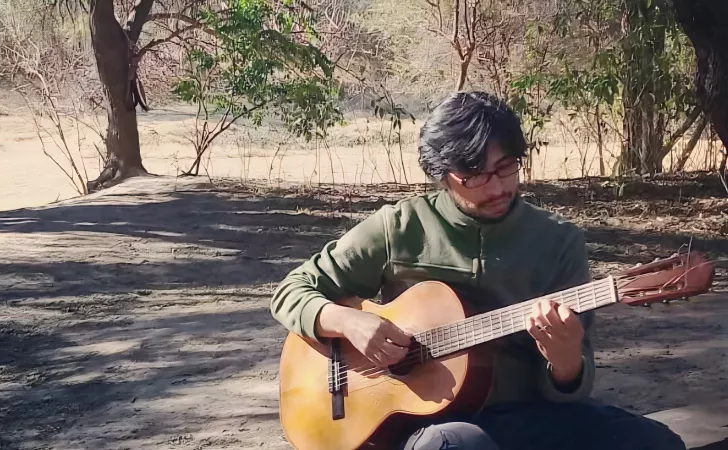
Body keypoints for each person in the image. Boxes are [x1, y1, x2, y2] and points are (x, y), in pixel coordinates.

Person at [269, 91, 686, 450]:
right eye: (474, 175)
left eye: (506, 167)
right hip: (426, 424)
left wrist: (565, 363)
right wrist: (348, 322)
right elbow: (292, 291)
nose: (497, 187)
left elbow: (570, 389)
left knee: (656, 442)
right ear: (442, 176)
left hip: (527, 415)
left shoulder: (559, 242)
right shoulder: (398, 227)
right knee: (459, 444)